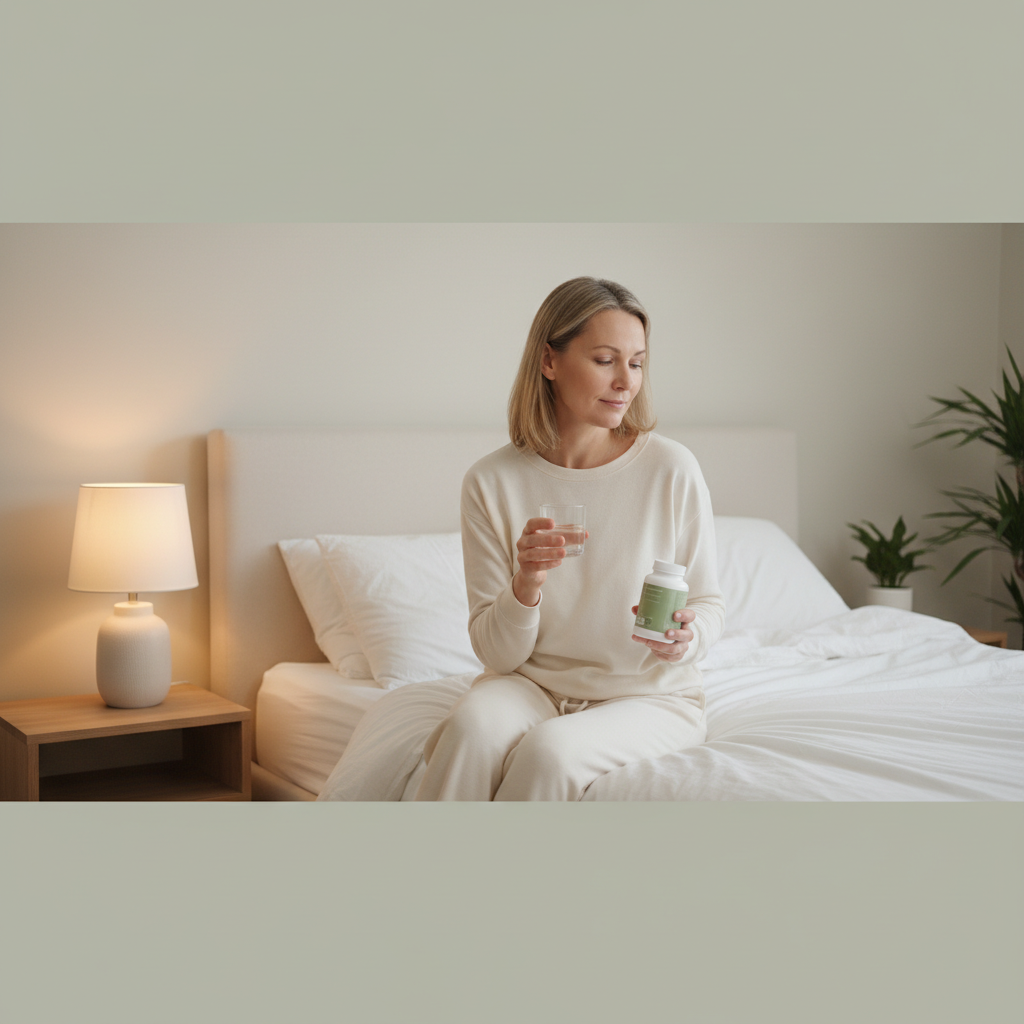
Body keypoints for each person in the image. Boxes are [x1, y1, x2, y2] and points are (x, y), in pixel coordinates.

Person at [414, 277, 725, 800]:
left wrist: (685, 640)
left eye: (637, 363)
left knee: (548, 752)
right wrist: (526, 584)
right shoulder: (491, 482)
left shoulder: (671, 468)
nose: (625, 382)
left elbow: (708, 602)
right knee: (469, 729)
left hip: (648, 698)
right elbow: (497, 654)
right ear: (549, 361)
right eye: (605, 360)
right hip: (529, 685)